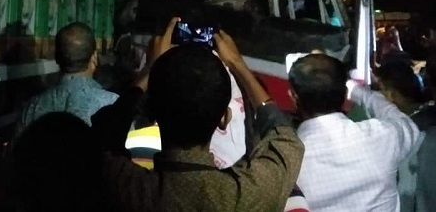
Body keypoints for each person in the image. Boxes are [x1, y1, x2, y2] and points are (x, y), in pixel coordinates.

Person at [91, 18, 304, 211]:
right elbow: (287, 141)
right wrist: (237, 64)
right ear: (224, 118)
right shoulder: (249, 195)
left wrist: (150, 70)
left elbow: (102, 132)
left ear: (151, 113)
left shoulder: (125, 187)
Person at [289, 53, 421, 212]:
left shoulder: (286, 161)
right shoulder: (382, 136)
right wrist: (358, 92)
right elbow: (406, 124)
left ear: (293, 97)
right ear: (345, 94)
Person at [13, 22, 118, 140]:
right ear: (94, 57)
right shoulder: (113, 104)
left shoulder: (32, 108)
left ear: (57, 58)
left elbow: (17, 149)